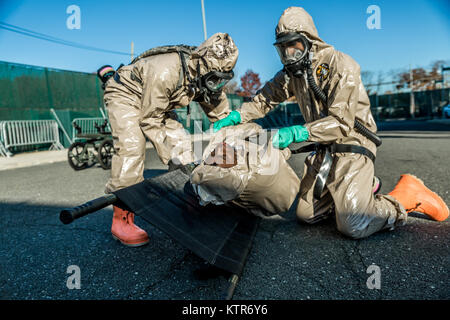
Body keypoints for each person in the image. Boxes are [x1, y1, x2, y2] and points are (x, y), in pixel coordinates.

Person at [213, 7, 448, 239]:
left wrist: (295, 132)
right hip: (324, 149)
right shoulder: (290, 75)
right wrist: (235, 116)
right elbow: (263, 100)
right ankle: (359, 191)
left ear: (309, 40)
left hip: (352, 144)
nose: (288, 54)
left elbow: (342, 123)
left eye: (293, 45)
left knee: (353, 225)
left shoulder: (340, 65)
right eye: (282, 48)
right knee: (306, 215)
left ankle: (404, 197)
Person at [103, 33, 238, 246]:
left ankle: (192, 203)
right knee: (132, 148)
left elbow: (219, 111)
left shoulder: (210, 74)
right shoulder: (167, 70)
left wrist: (231, 138)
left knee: (183, 147)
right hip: (127, 94)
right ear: (201, 66)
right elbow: (150, 120)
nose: (217, 84)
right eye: (215, 79)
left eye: (222, 79)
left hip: (158, 103)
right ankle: (122, 220)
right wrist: (172, 160)